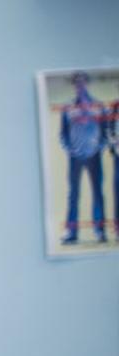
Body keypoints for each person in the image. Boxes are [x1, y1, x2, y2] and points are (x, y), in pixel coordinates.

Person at [59, 71, 107, 244]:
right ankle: (71, 233)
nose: (80, 86)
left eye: (83, 82)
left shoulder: (99, 106)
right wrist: (69, 149)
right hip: (75, 157)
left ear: (88, 84)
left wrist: (99, 148)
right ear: (74, 86)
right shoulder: (68, 107)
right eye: (77, 83)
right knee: (73, 194)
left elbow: (105, 131)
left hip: (94, 156)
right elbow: (63, 134)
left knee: (98, 193)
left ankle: (99, 231)